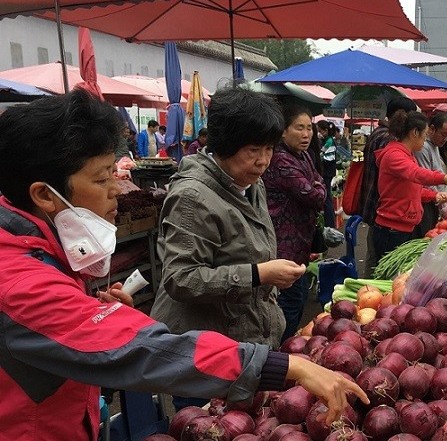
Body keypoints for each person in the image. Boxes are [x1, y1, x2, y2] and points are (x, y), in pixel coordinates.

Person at [0, 90, 368, 440]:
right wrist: (286, 366)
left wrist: (95, 312)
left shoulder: (43, 254)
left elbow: (65, 348)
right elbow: (143, 347)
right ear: (44, 195)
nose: (116, 188)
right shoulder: (18, 283)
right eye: (102, 177)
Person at [150, 88, 309, 410]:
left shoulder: (252, 184)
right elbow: (181, 278)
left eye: (268, 149)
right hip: (203, 354)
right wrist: (259, 274)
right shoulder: (192, 198)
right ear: (223, 145)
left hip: (243, 346)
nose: (263, 160)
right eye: (253, 150)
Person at [264, 105, 327, 341]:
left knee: (296, 300)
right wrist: (318, 185)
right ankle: (280, 353)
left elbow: (316, 183)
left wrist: (316, 184)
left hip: (299, 244)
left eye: (309, 128)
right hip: (282, 244)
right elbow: (316, 195)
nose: (306, 134)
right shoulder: (280, 160)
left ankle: (286, 348)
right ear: (283, 131)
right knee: (288, 304)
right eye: (299, 128)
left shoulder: (304, 156)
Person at [374, 110, 447, 259]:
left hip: (402, 227)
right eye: (425, 134)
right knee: (390, 275)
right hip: (392, 229)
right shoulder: (394, 155)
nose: (426, 138)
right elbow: (416, 173)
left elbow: (412, 188)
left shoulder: (406, 154)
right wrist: (444, 178)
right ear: (415, 132)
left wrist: (434, 195)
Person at [359, 96, 418, 277]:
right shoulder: (388, 139)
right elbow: (409, 173)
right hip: (383, 209)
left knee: (375, 257)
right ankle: (369, 291)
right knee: (380, 264)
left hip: (375, 204)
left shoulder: (379, 133)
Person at [413, 112, 447, 237]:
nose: (445, 139)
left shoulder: (435, 146)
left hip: (435, 200)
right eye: (443, 134)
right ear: (431, 129)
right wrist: (441, 200)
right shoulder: (423, 148)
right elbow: (426, 178)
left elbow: (437, 172)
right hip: (427, 202)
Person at [316, 120, 338, 229]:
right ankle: (330, 221)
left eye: (320, 131)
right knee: (327, 196)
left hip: (327, 172)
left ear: (325, 130)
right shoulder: (327, 140)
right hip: (328, 172)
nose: (319, 133)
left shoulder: (329, 141)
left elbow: (322, 154)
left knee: (327, 197)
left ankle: (330, 223)